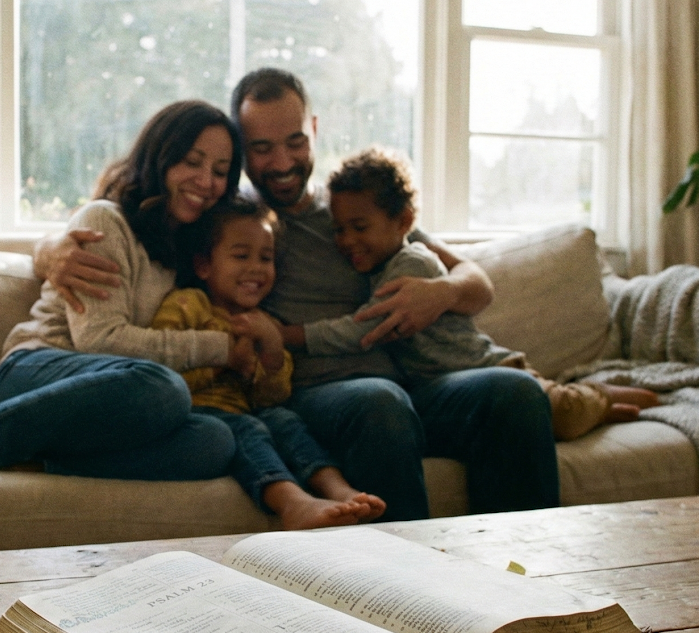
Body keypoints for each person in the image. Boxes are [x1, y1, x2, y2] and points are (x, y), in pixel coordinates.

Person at [35, 69, 560, 519]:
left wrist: (441, 292)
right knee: (379, 402)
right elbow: (133, 227)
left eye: (294, 141)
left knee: (513, 392)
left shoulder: (352, 209)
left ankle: (522, 582)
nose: (282, 162)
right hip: (314, 395)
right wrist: (48, 250)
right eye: (261, 149)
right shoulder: (230, 221)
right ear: (243, 152)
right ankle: (403, 587)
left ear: (314, 130)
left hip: (409, 383)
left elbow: (477, 281)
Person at [0, 100, 248, 480]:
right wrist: (221, 348)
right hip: (36, 375)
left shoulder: (195, 254)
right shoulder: (105, 221)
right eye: (192, 162)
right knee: (164, 389)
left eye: (220, 171)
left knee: (215, 440)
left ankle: (11, 461)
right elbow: (100, 340)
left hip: (107, 405)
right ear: (159, 158)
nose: (206, 181)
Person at [324, 147, 660, 441]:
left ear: (403, 221)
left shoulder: (409, 246)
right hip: (446, 383)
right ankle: (597, 405)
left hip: (488, 364)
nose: (347, 239)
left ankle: (606, 397)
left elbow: (477, 283)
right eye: (339, 229)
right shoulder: (362, 244)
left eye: (359, 227)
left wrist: (442, 291)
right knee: (563, 414)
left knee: (566, 413)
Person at [151, 197, 386, 528]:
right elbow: (160, 378)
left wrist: (273, 348)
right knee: (250, 428)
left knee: (284, 420)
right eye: (241, 256)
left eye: (266, 257)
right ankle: (293, 504)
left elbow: (270, 397)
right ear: (204, 265)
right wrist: (225, 362)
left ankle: (339, 490)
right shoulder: (188, 304)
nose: (256, 268)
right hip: (197, 415)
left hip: (248, 413)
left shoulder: (262, 321)